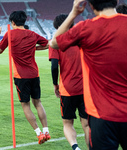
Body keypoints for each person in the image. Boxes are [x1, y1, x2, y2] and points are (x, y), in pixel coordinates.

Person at [50, 0, 127, 149]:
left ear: (91, 5)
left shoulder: (85, 28)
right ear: (116, 1)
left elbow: (54, 43)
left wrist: (74, 13)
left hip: (101, 114)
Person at [0, 10, 50, 144]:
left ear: (13, 22)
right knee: (37, 102)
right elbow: (47, 44)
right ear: (24, 21)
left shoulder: (10, 33)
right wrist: (34, 49)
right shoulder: (32, 34)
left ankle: (39, 133)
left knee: (25, 105)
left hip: (20, 75)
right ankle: (46, 131)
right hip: (34, 73)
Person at [49, 14, 89, 150]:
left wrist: (55, 84)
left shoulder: (57, 42)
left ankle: (75, 147)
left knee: (67, 123)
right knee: (87, 124)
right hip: (85, 88)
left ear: (57, 27)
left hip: (67, 89)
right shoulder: (81, 40)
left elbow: (54, 66)